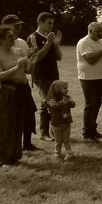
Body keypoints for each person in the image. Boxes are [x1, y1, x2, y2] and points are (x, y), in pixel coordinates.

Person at [0, 25, 37, 167]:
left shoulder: (19, 51)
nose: (14, 38)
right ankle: (3, 160)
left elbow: (27, 70)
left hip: (21, 92)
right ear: (0, 39)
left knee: (18, 124)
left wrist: (33, 63)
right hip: (5, 94)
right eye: (10, 36)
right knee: (5, 127)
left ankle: (14, 157)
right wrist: (16, 68)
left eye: (14, 36)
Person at [27, 12, 63, 142]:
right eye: (49, 23)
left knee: (50, 103)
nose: (51, 26)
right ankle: (47, 133)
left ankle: (48, 132)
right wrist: (48, 43)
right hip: (41, 76)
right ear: (40, 23)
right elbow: (37, 58)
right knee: (48, 103)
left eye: (52, 23)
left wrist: (56, 44)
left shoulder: (51, 38)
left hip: (54, 75)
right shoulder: (33, 37)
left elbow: (59, 57)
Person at [76, 22, 102, 141]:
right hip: (88, 78)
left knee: (97, 104)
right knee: (90, 105)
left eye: (101, 31)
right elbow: (90, 59)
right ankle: (87, 133)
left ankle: (93, 129)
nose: (100, 33)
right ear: (90, 30)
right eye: (98, 31)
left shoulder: (101, 42)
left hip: (101, 77)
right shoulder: (84, 42)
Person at [46, 80, 75, 160]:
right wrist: (62, 103)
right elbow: (54, 108)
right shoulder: (52, 99)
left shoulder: (67, 97)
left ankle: (68, 153)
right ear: (57, 89)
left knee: (66, 140)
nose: (67, 90)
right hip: (56, 124)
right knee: (58, 140)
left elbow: (73, 105)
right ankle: (57, 153)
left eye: (67, 88)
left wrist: (69, 102)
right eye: (64, 88)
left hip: (66, 123)